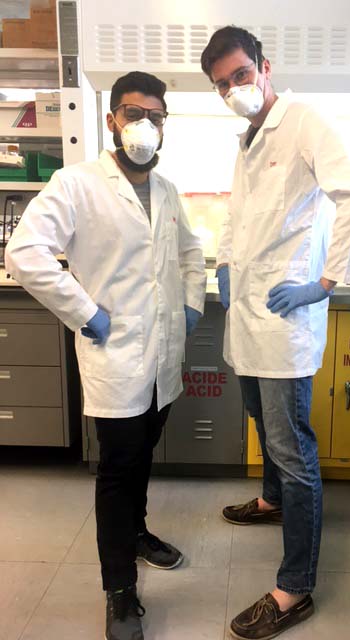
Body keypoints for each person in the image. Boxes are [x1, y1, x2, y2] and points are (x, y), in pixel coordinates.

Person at [5, 71, 206, 640]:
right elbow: (25, 253)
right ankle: (119, 590)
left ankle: (136, 534)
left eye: (156, 116)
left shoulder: (166, 189)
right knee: (117, 471)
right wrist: (85, 311)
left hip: (162, 358)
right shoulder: (76, 183)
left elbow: (192, 254)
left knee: (142, 458)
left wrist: (191, 307)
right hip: (114, 357)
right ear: (113, 119)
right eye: (134, 113)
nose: (146, 125)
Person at [201, 27, 350, 640]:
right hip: (248, 316)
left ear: (265, 67)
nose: (234, 89)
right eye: (222, 84)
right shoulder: (247, 140)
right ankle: (272, 501)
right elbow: (237, 216)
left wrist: (325, 283)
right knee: (260, 418)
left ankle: (295, 587)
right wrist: (225, 263)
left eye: (241, 75)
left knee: (292, 448)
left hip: (285, 319)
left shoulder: (304, 121)